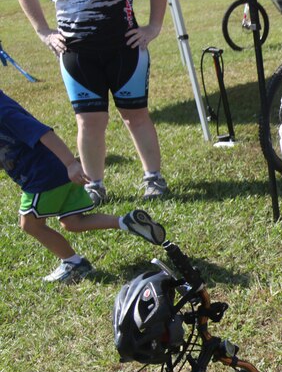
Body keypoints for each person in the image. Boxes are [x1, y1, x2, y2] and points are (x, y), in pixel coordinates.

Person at [15, 0, 169, 205]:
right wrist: (43, 32)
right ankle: (95, 184)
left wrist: (153, 27)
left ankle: (154, 178)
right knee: (88, 121)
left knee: (135, 115)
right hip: (76, 53)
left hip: (124, 48)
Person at [2, 89, 166, 284]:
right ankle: (126, 222)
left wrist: (71, 163)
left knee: (30, 224)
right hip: (57, 171)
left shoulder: (3, 111)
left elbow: (43, 133)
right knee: (72, 222)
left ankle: (74, 263)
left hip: (43, 175)